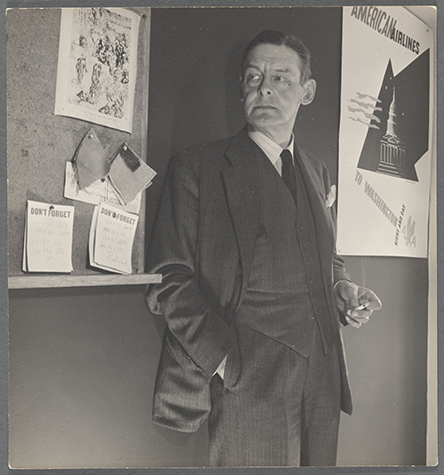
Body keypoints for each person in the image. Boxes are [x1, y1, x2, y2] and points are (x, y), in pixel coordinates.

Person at [145, 29, 382, 467]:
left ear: (307, 91)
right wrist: (224, 362)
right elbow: (168, 278)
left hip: (323, 374)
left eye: (281, 78)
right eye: (254, 77)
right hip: (249, 379)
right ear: (241, 89)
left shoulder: (316, 171)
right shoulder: (198, 167)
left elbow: (324, 257)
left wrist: (341, 288)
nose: (265, 87)